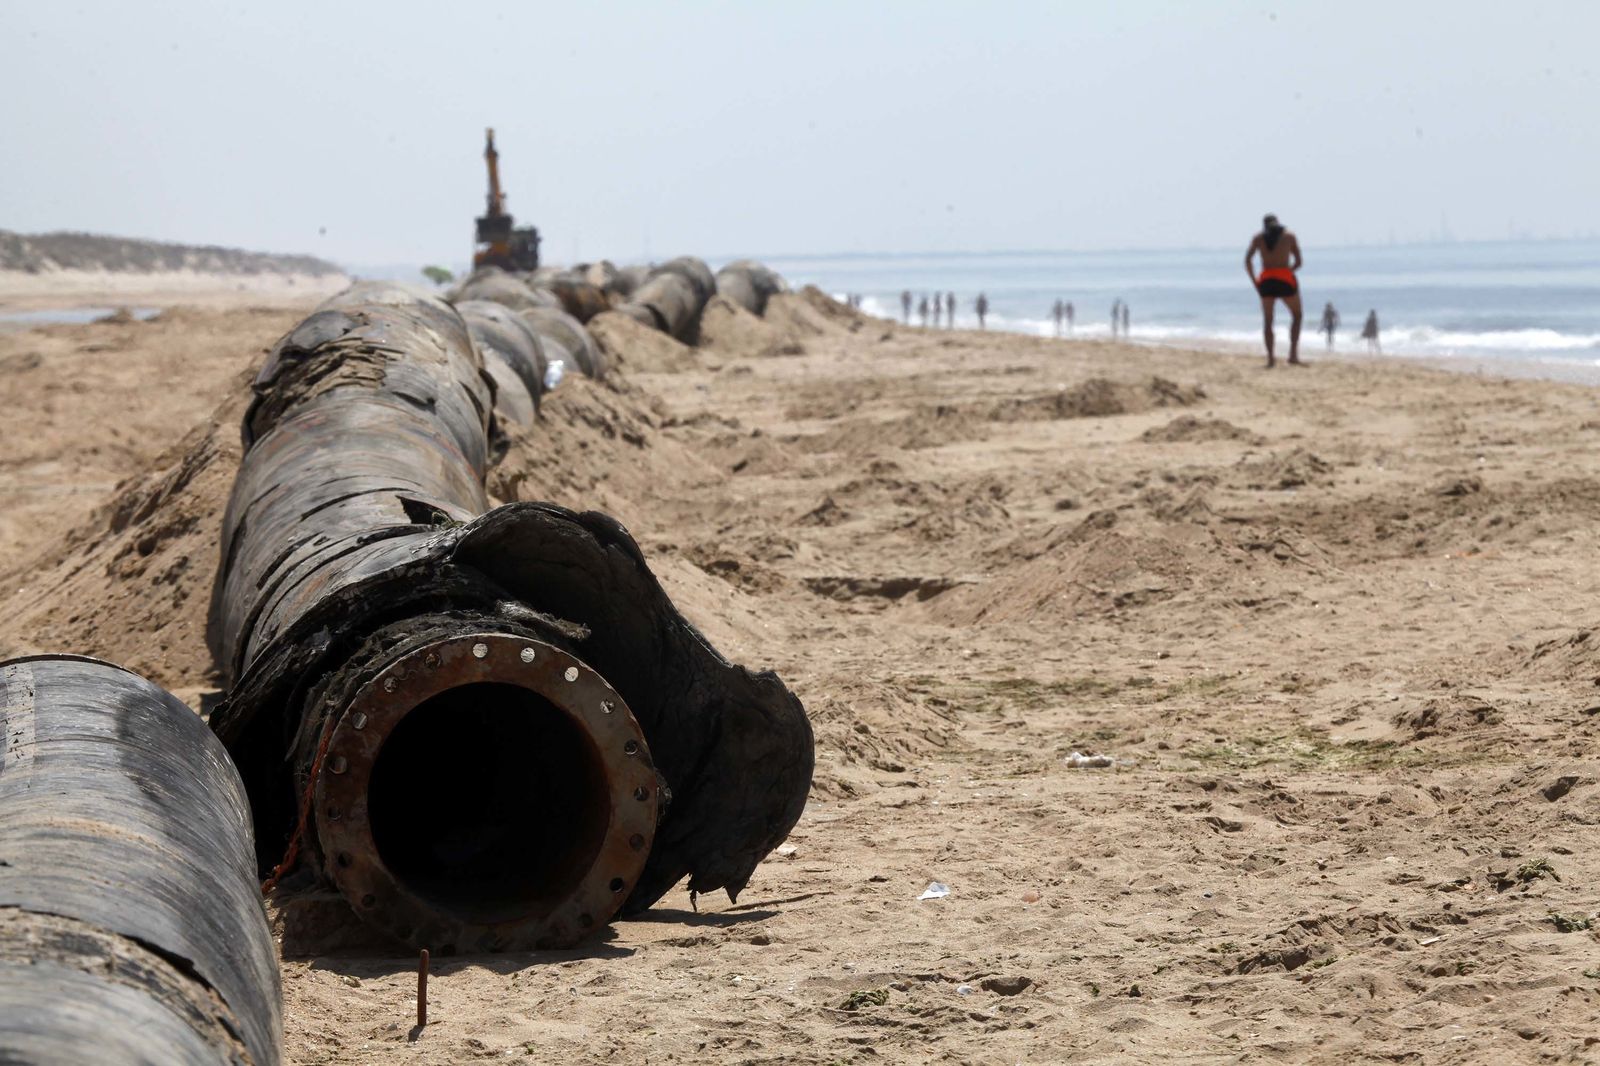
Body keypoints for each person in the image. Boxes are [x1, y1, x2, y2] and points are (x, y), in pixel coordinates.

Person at [1244, 212, 1304, 367]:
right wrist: (1288, 271)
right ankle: (1292, 355)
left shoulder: (1258, 238)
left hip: (1266, 279)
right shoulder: (1289, 236)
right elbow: (1298, 262)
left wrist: (1254, 280)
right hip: (1284, 277)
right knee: (1297, 315)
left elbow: (1248, 260)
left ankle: (1271, 358)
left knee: (1268, 320)